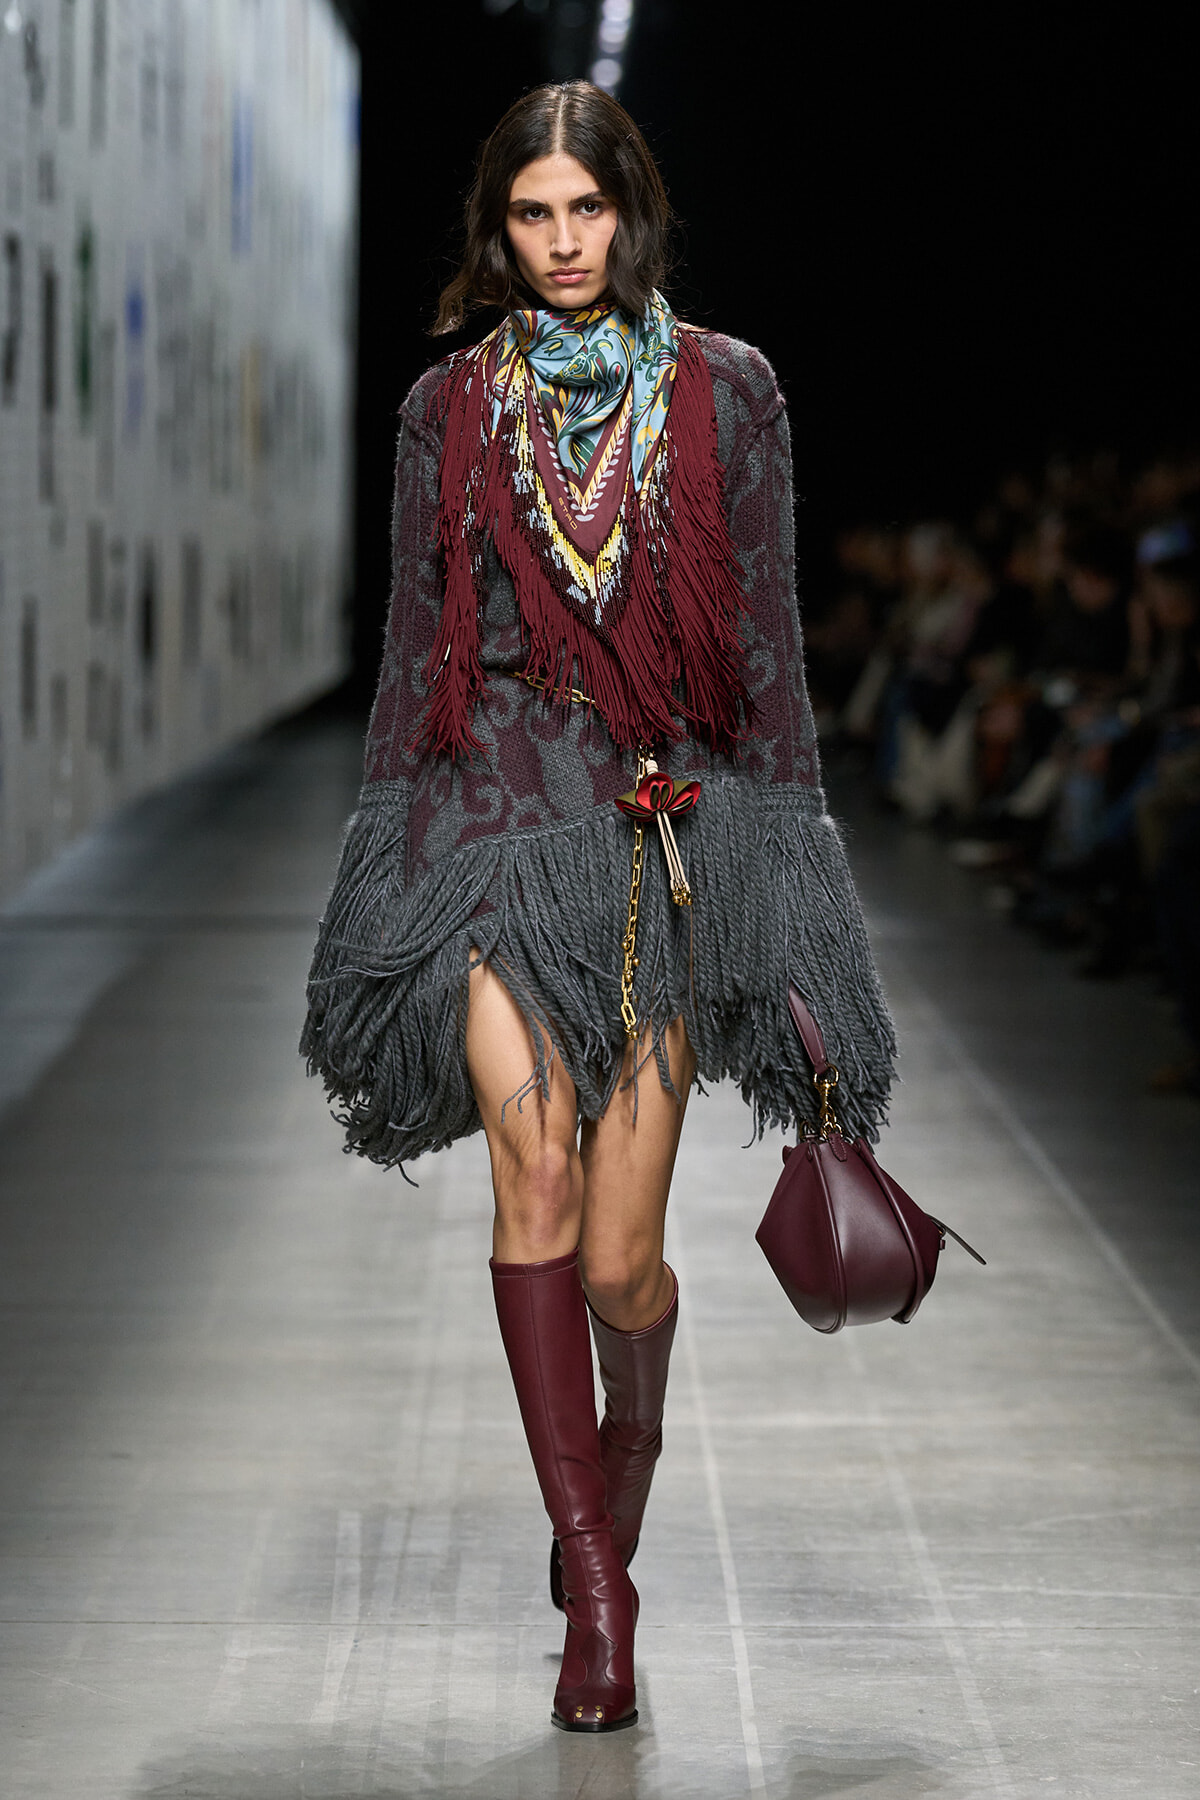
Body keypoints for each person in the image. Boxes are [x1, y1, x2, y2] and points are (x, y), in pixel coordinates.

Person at [302, 81, 895, 1735]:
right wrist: (386, 862)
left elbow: (766, 655)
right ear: (495, 230)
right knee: (537, 1179)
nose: (563, 243)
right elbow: (414, 651)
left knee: (625, 1260)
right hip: (497, 832)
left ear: (633, 211)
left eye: (587, 209)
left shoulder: (730, 392)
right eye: (531, 215)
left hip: (659, 842)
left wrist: (798, 895)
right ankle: (598, 1590)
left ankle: (621, 1462)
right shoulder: (445, 409)